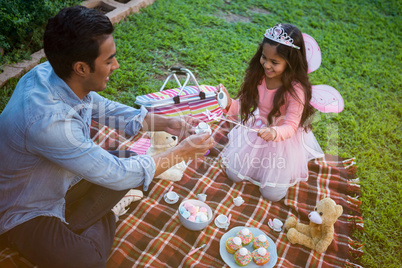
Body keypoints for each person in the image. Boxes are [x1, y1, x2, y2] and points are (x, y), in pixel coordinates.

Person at [0, 5, 215, 268]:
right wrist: (179, 154)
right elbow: (113, 174)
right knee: (88, 260)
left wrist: (169, 124)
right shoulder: (48, 122)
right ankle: (105, 215)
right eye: (109, 60)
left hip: (62, 181)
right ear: (81, 67)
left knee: (128, 161)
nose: (117, 65)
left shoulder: (51, 72)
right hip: (24, 208)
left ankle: (75, 222)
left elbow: (107, 110)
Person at [217, 23, 324, 202]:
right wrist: (228, 103)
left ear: (290, 63)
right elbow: (244, 107)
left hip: (282, 140)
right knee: (233, 174)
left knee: (271, 195)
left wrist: (274, 132)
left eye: (274, 62)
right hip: (257, 129)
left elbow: (291, 126)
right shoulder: (259, 77)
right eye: (264, 57)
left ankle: (271, 174)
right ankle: (256, 168)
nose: (266, 65)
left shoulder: (296, 90)